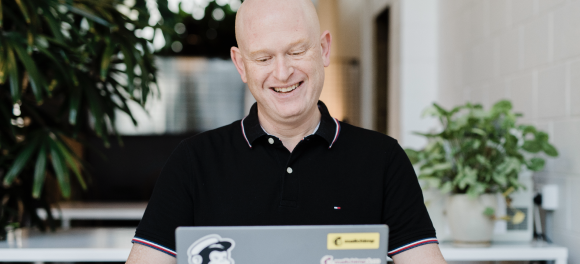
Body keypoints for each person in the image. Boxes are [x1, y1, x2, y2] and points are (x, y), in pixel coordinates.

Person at [125, 0, 446, 263]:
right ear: (241, 65)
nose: (282, 73)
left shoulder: (383, 159)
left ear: (323, 49)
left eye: (295, 51)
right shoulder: (192, 161)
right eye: (263, 57)